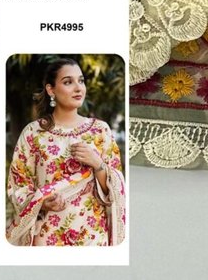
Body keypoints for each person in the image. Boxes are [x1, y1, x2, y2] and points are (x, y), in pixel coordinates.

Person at [7, 59, 125, 245]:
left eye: (81, 81)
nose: (78, 88)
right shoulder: (33, 133)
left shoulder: (100, 130)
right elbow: (19, 185)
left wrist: (97, 164)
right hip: (48, 234)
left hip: (92, 235)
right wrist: (41, 203)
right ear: (51, 90)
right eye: (68, 82)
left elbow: (115, 190)